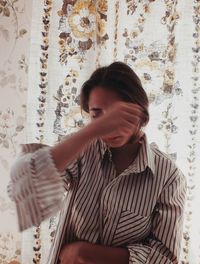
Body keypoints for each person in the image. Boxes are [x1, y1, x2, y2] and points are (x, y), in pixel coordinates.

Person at [7, 61, 187, 264]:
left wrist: (88, 254)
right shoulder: (80, 152)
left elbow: (165, 257)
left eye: (116, 113)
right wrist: (90, 132)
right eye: (97, 115)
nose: (108, 125)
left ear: (140, 110)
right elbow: (24, 187)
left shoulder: (169, 177)